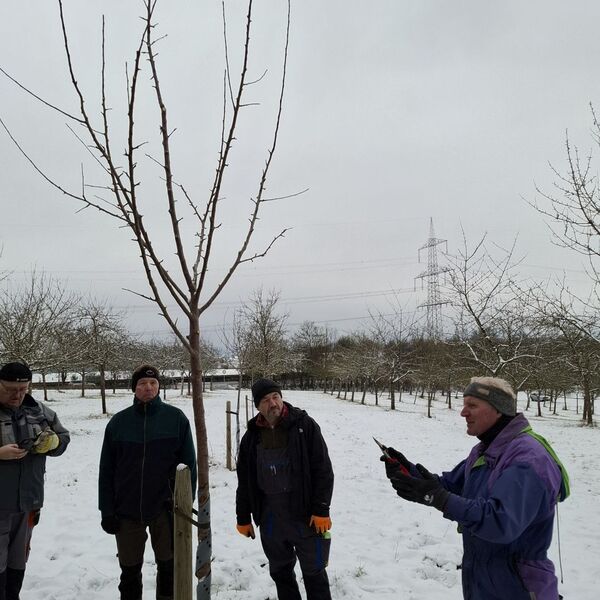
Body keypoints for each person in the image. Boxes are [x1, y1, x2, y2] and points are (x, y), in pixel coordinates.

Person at [382, 376, 569, 600]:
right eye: (464, 404)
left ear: (498, 410)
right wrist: (408, 472)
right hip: (483, 582)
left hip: (519, 587)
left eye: (472, 405)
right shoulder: (485, 450)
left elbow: (500, 522)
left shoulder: (529, 458)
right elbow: (449, 486)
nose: (463, 412)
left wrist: (438, 498)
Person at [98, 364, 197, 600]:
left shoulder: (176, 419)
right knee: (129, 571)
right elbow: (106, 470)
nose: (148, 388)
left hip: (165, 509)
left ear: (159, 387)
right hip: (126, 510)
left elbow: (189, 466)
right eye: (142, 384)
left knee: (168, 567)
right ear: (134, 388)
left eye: (153, 383)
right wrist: (107, 510)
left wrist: (183, 504)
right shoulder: (118, 424)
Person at [236, 378, 334, 600]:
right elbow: (245, 481)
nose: (273, 404)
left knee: (314, 572)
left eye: (276, 397)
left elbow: (323, 470)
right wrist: (243, 517)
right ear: (257, 406)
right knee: (280, 572)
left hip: (305, 516)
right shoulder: (251, 437)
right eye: (265, 400)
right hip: (271, 518)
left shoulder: (304, 426)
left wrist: (321, 509)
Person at [0, 361, 70, 600]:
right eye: (10, 389)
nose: (17, 395)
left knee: (18, 561)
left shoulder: (40, 411)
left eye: (23, 389)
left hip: (28, 501)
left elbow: (63, 437)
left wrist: (53, 444)